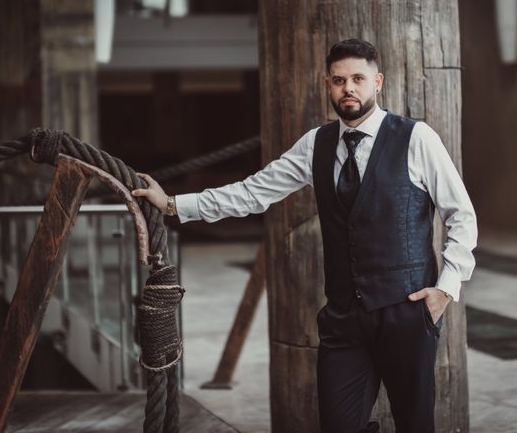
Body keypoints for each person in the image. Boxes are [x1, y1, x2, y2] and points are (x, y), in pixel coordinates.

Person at [132, 38, 477, 433]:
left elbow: (461, 215)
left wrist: (446, 289)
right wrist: (174, 204)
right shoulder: (316, 144)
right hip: (345, 317)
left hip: (406, 309)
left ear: (377, 82)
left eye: (358, 79)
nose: (348, 88)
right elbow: (252, 192)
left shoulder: (417, 138)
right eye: (338, 79)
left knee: (415, 424)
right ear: (327, 84)